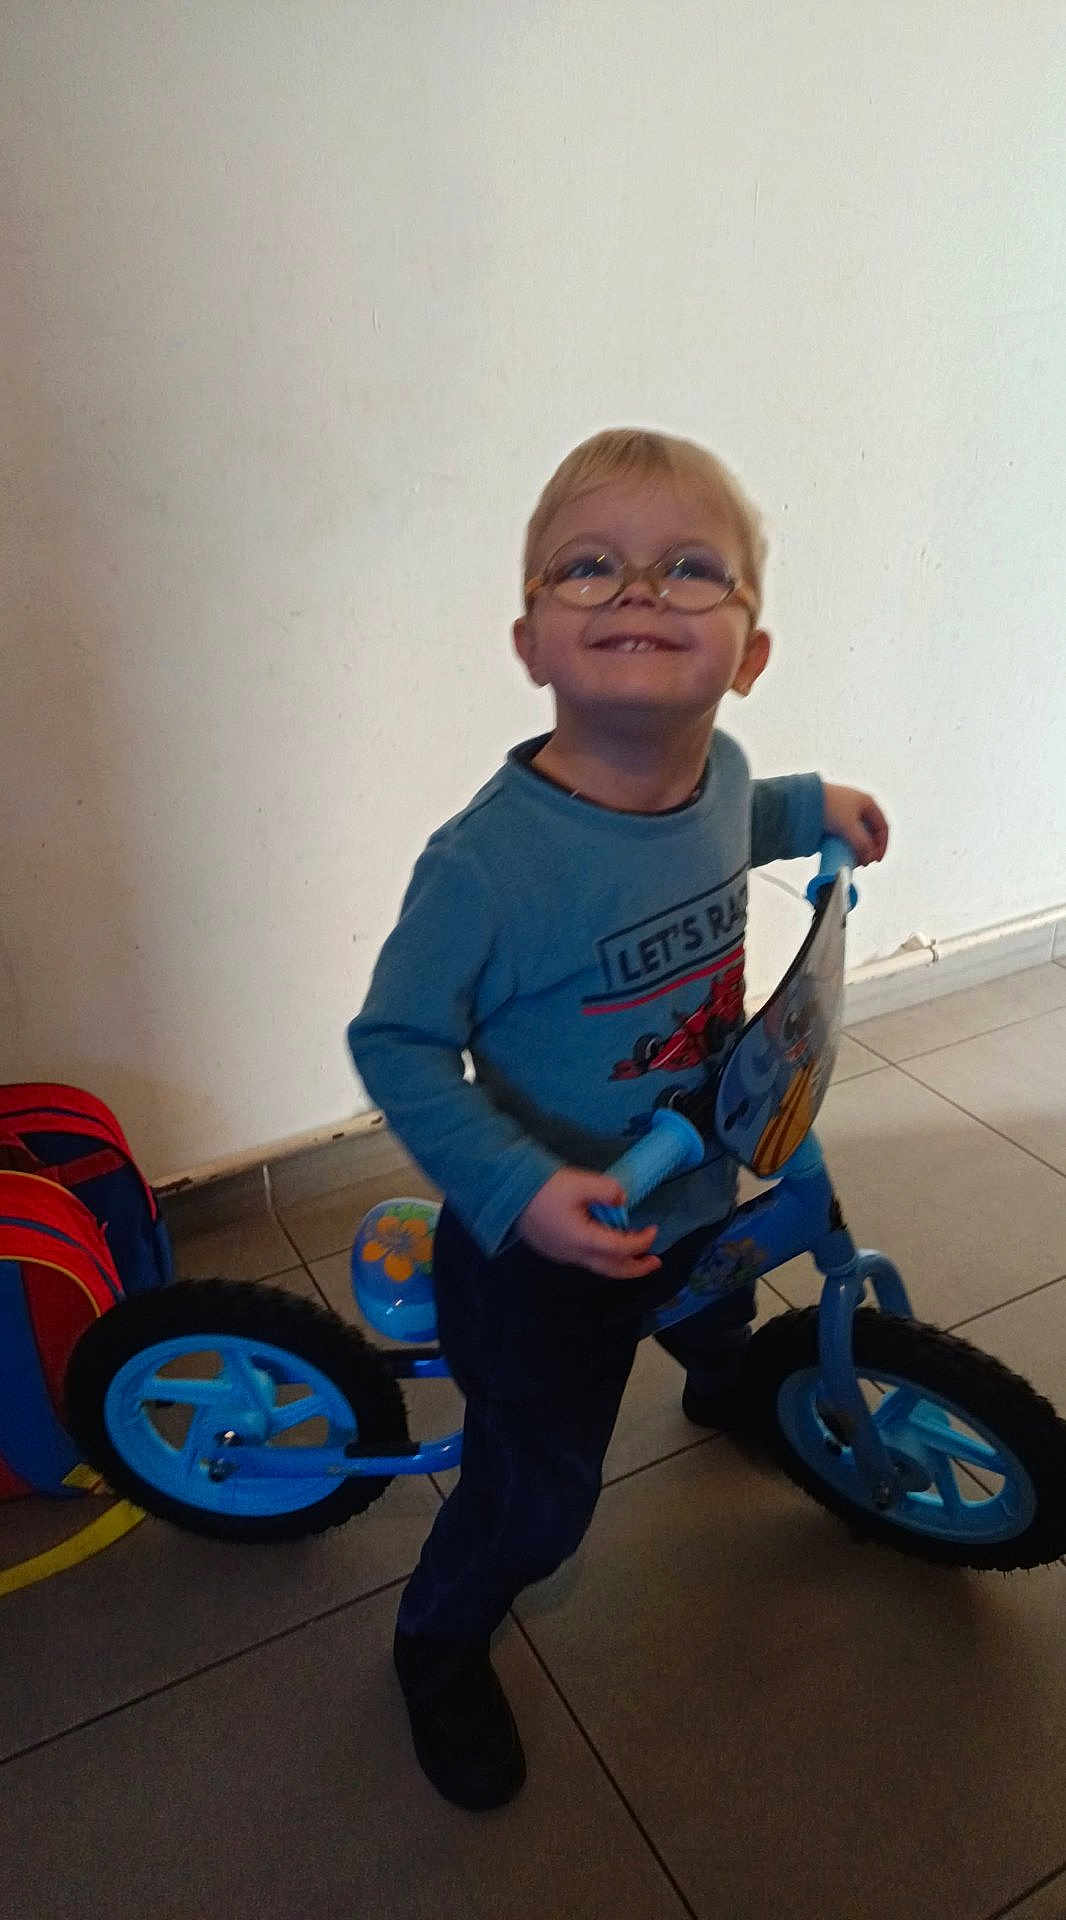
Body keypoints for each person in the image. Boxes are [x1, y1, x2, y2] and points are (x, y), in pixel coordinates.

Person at [347, 428, 888, 1811]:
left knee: (715, 1303)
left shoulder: (720, 770)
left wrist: (805, 806)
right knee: (535, 1495)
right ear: (529, 641)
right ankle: (438, 1638)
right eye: (587, 568)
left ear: (747, 651)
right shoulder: (486, 867)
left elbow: (728, 813)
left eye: (687, 569)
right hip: (551, 1239)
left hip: (706, 1158)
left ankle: (722, 1384)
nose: (638, 588)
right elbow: (395, 1041)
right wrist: (515, 1188)